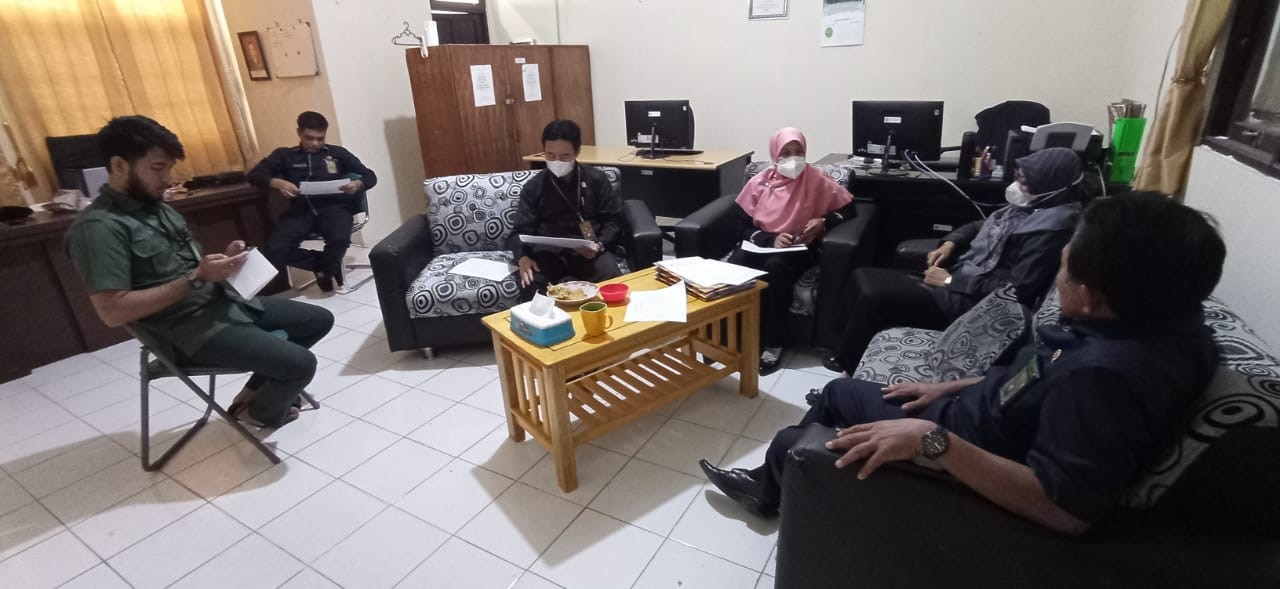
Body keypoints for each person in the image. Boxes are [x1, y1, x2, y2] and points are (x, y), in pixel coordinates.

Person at [699, 192, 1225, 534]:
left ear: (1089, 295)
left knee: (797, 443)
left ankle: (791, 480)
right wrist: (951, 387)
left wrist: (933, 442)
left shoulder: (1104, 379)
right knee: (837, 392)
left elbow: (1065, 509)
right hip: (969, 414)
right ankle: (782, 490)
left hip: (963, 452)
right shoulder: (1151, 324)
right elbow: (1039, 375)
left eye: (1063, 270)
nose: (1056, 280)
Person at [65, 115, 334, 428]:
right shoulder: (98, 228)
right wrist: (197, 277)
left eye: (169, 167)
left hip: (223, 305)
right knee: (301, 364)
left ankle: (249, 398)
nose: (167, 178)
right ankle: (262, 414)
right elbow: (112, 311)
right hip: (187, 333)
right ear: (119, 165)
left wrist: (223, 263)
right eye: (157, 168)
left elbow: (183, 268)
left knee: (317, 320)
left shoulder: (157, 207)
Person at [825, 147, 1085, 374]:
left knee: (873, 295)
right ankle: (842, 351)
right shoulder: (1031, 208)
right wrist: (951, 242)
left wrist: (949, 281)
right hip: (962, 279)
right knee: (861, 276)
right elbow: (979, 225)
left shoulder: (1051, 229)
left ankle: (848, 365)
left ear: (1050, 185)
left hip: (979, 306)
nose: (1016, 188)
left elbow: (1018, 291)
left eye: (1024, 183)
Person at [728, 127, 857, 375]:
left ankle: (773, 343)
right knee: (735, 266)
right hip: (761, 244)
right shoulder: (760, 181)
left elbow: (849, 208)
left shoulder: (816, 179)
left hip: (799, 248)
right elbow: (740, 223)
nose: (793, 159)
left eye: (799, 152)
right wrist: (770, 239)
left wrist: (824, 221)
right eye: (785, 153)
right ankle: (729, 335)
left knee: (776, 269)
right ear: (775, 154)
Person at [248, 111, 377, 293]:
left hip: (334, 208)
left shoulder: (337, 153)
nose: (315, 143)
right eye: (310, 138)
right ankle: (325, 266)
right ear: (299, 133)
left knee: (339, 239)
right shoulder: (285, 155)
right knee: (275, 248)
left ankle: (325, 271)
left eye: (320, 138)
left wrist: (357, 184)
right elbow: (254, 175)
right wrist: (277, 182)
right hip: (300, 210)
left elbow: (370, 176)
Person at [509, 119, 623, 300]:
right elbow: (519, 231)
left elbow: (613, 222)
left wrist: (599, 245)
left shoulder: (597, 180)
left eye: (564, 156)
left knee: (611, 278)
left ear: (576, 152)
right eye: (550, 155)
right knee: (531, 282)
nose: (557, 162)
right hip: (548, 254)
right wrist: (522, 257)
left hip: (589, 252)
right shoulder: (534, 187)